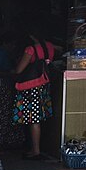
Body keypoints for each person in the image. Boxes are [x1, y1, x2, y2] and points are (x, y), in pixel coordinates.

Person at [12, 31, 58, 160]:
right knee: (38, 117)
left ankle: (35, 150)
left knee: (33, 119)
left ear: (32, 36)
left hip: (31, 87)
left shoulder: (31, 49)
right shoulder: (50, 46)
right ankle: (36, 148)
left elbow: (19, 70)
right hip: (43, 85)